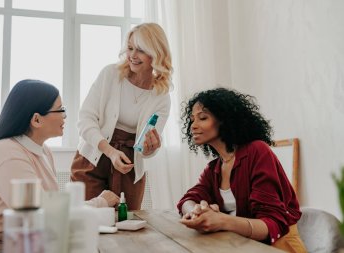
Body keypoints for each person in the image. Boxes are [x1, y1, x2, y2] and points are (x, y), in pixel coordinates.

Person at [0, 80, 119, 252]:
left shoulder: (44, 152)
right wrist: (100, 202)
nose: (65, 116)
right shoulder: (5, 152)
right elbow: (44, 217)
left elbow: (51, 212)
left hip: (17, 245)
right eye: (61, 110)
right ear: (36, 119)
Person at [177, 88, 307, 253]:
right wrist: (196, 211)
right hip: (242, 247)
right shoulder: (214, 168)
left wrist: (222, 221)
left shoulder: (257, 151)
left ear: (225, 120)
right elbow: (188, 199)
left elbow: (272, 224)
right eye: (192, 120)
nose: (193, 126)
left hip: (279, 246)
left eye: (203, 118)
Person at [71, 22, 173, 210]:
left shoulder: (161, 97)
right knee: (87, 219)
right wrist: (110, 152)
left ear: (156, 53)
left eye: (140, 50)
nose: (133, 55)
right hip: (93, 156)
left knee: (127, 224)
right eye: (130, 48)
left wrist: (151, 148)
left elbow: (145, 149)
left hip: (129, 166)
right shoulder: (110, 74)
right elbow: (85, 120)